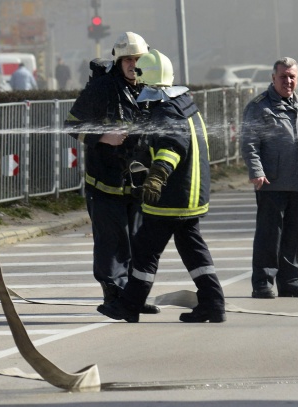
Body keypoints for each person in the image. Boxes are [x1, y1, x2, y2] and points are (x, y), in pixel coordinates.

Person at [97, 49, 226, 323]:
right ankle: (213, 303)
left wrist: (156, 177)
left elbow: (172, 147)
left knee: (144, 249)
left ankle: (129, 305)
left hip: (171, 198)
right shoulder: (183, 103)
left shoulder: (166, 110)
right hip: (190, 195)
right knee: (193, 252)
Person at [64, 32, 160, 315]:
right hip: (104, 184)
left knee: (137, 242)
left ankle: (134, 297)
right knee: (111, 244)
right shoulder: (102, 89)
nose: (133, 64)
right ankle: (113, 296)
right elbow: (72, 125)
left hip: (138, 184)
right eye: (128, 59)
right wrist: (103, 136)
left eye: (139, 59)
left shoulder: (151, 89)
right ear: (118, 62)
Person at [240, 57, 298, 299]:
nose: (288, 81)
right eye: (283, 77)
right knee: (270, 235)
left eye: (292, 77)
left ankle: (289, 281)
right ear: (273, 78)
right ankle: (262, 282)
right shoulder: (259, 107)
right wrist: (256, 171)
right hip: (272, 182)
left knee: (293, 234)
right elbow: (249, 144)